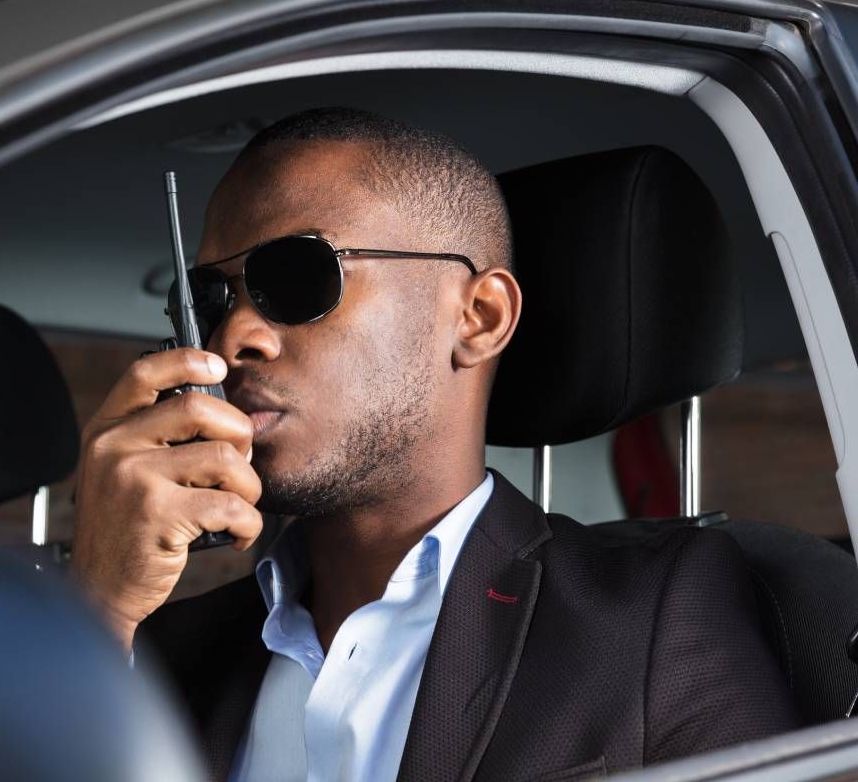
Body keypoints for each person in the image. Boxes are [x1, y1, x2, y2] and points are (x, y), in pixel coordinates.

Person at [69, 107, 798, 781]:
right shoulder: (147, 653)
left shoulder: (652, 616)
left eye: (298, 278)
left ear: (479, 316)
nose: (236, 337)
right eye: (211, 301)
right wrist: (97, 610)